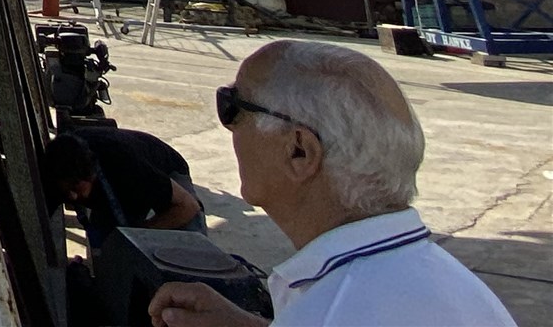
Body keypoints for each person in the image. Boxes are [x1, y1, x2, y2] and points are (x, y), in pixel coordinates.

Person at [148, 40, 515, 327]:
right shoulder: (436, 280)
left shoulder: (334, 310)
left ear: (299, 151)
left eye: (232, 106)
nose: (229, 128)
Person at [46, 127, 203, 251]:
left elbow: (188, 206)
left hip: (166, 168)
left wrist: (141, 234)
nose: (72, 197)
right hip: (117, 183)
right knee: (110, 248)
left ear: (91, 175)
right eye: (65, 192)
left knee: (192, 245)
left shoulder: (129, 168)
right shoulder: (56, 167)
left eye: (75, 188)